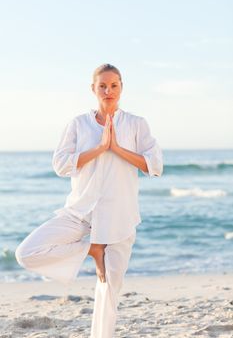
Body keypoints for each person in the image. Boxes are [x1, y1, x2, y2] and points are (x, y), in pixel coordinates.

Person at [15, 63, 163, 338]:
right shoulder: (78, 124)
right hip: (81, 212)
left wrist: (117, 148)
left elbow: (153, 165)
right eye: (102, 86)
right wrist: (99, 148)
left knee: (108, 292)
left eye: (114, 85)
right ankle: (91, 249)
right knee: (26, 253)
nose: (108, 91)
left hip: (119, 216)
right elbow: (61, 165)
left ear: (121, 87)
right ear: (93, 89)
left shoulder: (136, 124)